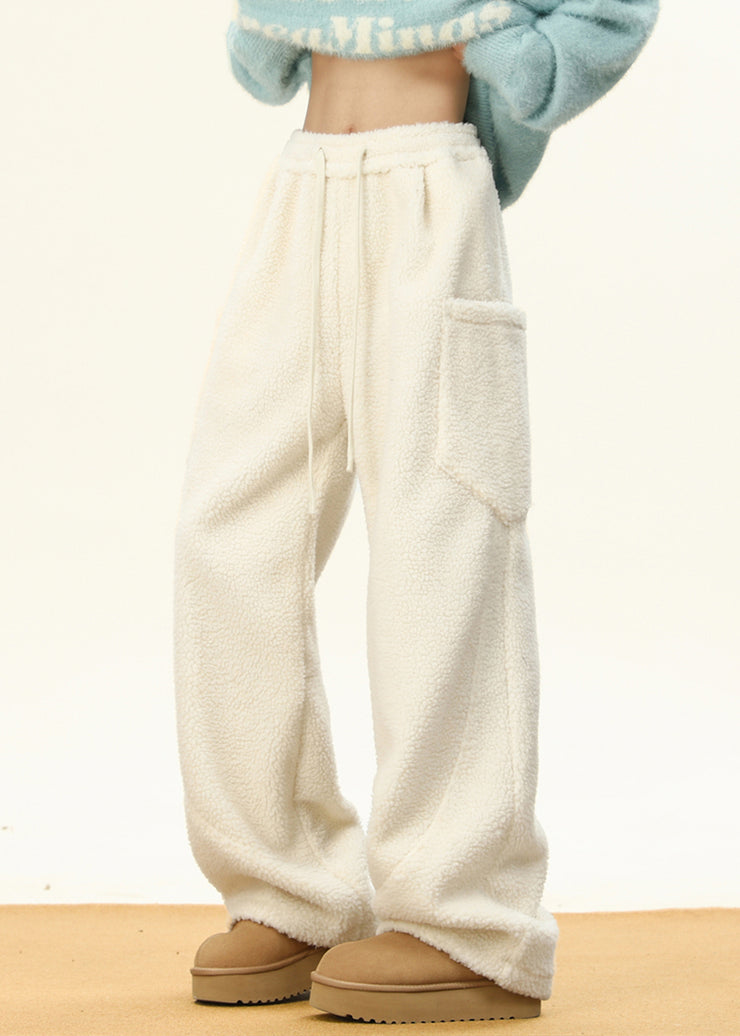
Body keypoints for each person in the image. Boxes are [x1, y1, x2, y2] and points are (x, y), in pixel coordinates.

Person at [171, 1, 660, 1024]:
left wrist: (503, 42)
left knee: (442, 546)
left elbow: (610, 15)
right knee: (229, 538)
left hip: (430, 189)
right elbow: (257, 57)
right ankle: (290, 888)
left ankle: (467, 921)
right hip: (302, 185)